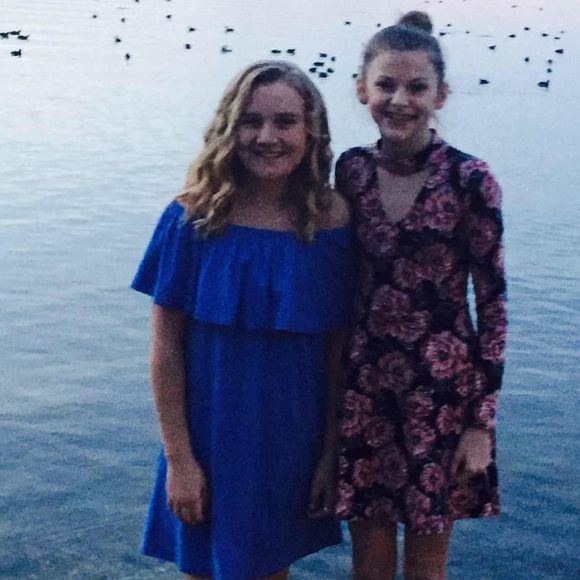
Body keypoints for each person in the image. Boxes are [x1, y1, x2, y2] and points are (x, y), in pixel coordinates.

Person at [131, 61, 354, 579]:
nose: (267, 137)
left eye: (285, 122)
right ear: (229, 128)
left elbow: (338, 352)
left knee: (270, 570)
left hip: (290, 439)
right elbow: (165, 349)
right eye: (251, 121)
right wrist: (180, 460)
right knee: (202, 568)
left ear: (311, 131)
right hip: (207, 436)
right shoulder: (192, 217)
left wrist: (330, 454)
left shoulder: (330, 219)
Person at [335, 11, 508, 580]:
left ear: (440, 95)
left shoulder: (470, 179)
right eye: (386, 85)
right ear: (362, 89)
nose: (400, 100)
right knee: (369, 566)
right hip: (364, 388)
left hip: (441, 395)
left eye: (416, 87)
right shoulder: (351, 170)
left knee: (427, 569)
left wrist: (482, 425)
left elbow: (493, 305)